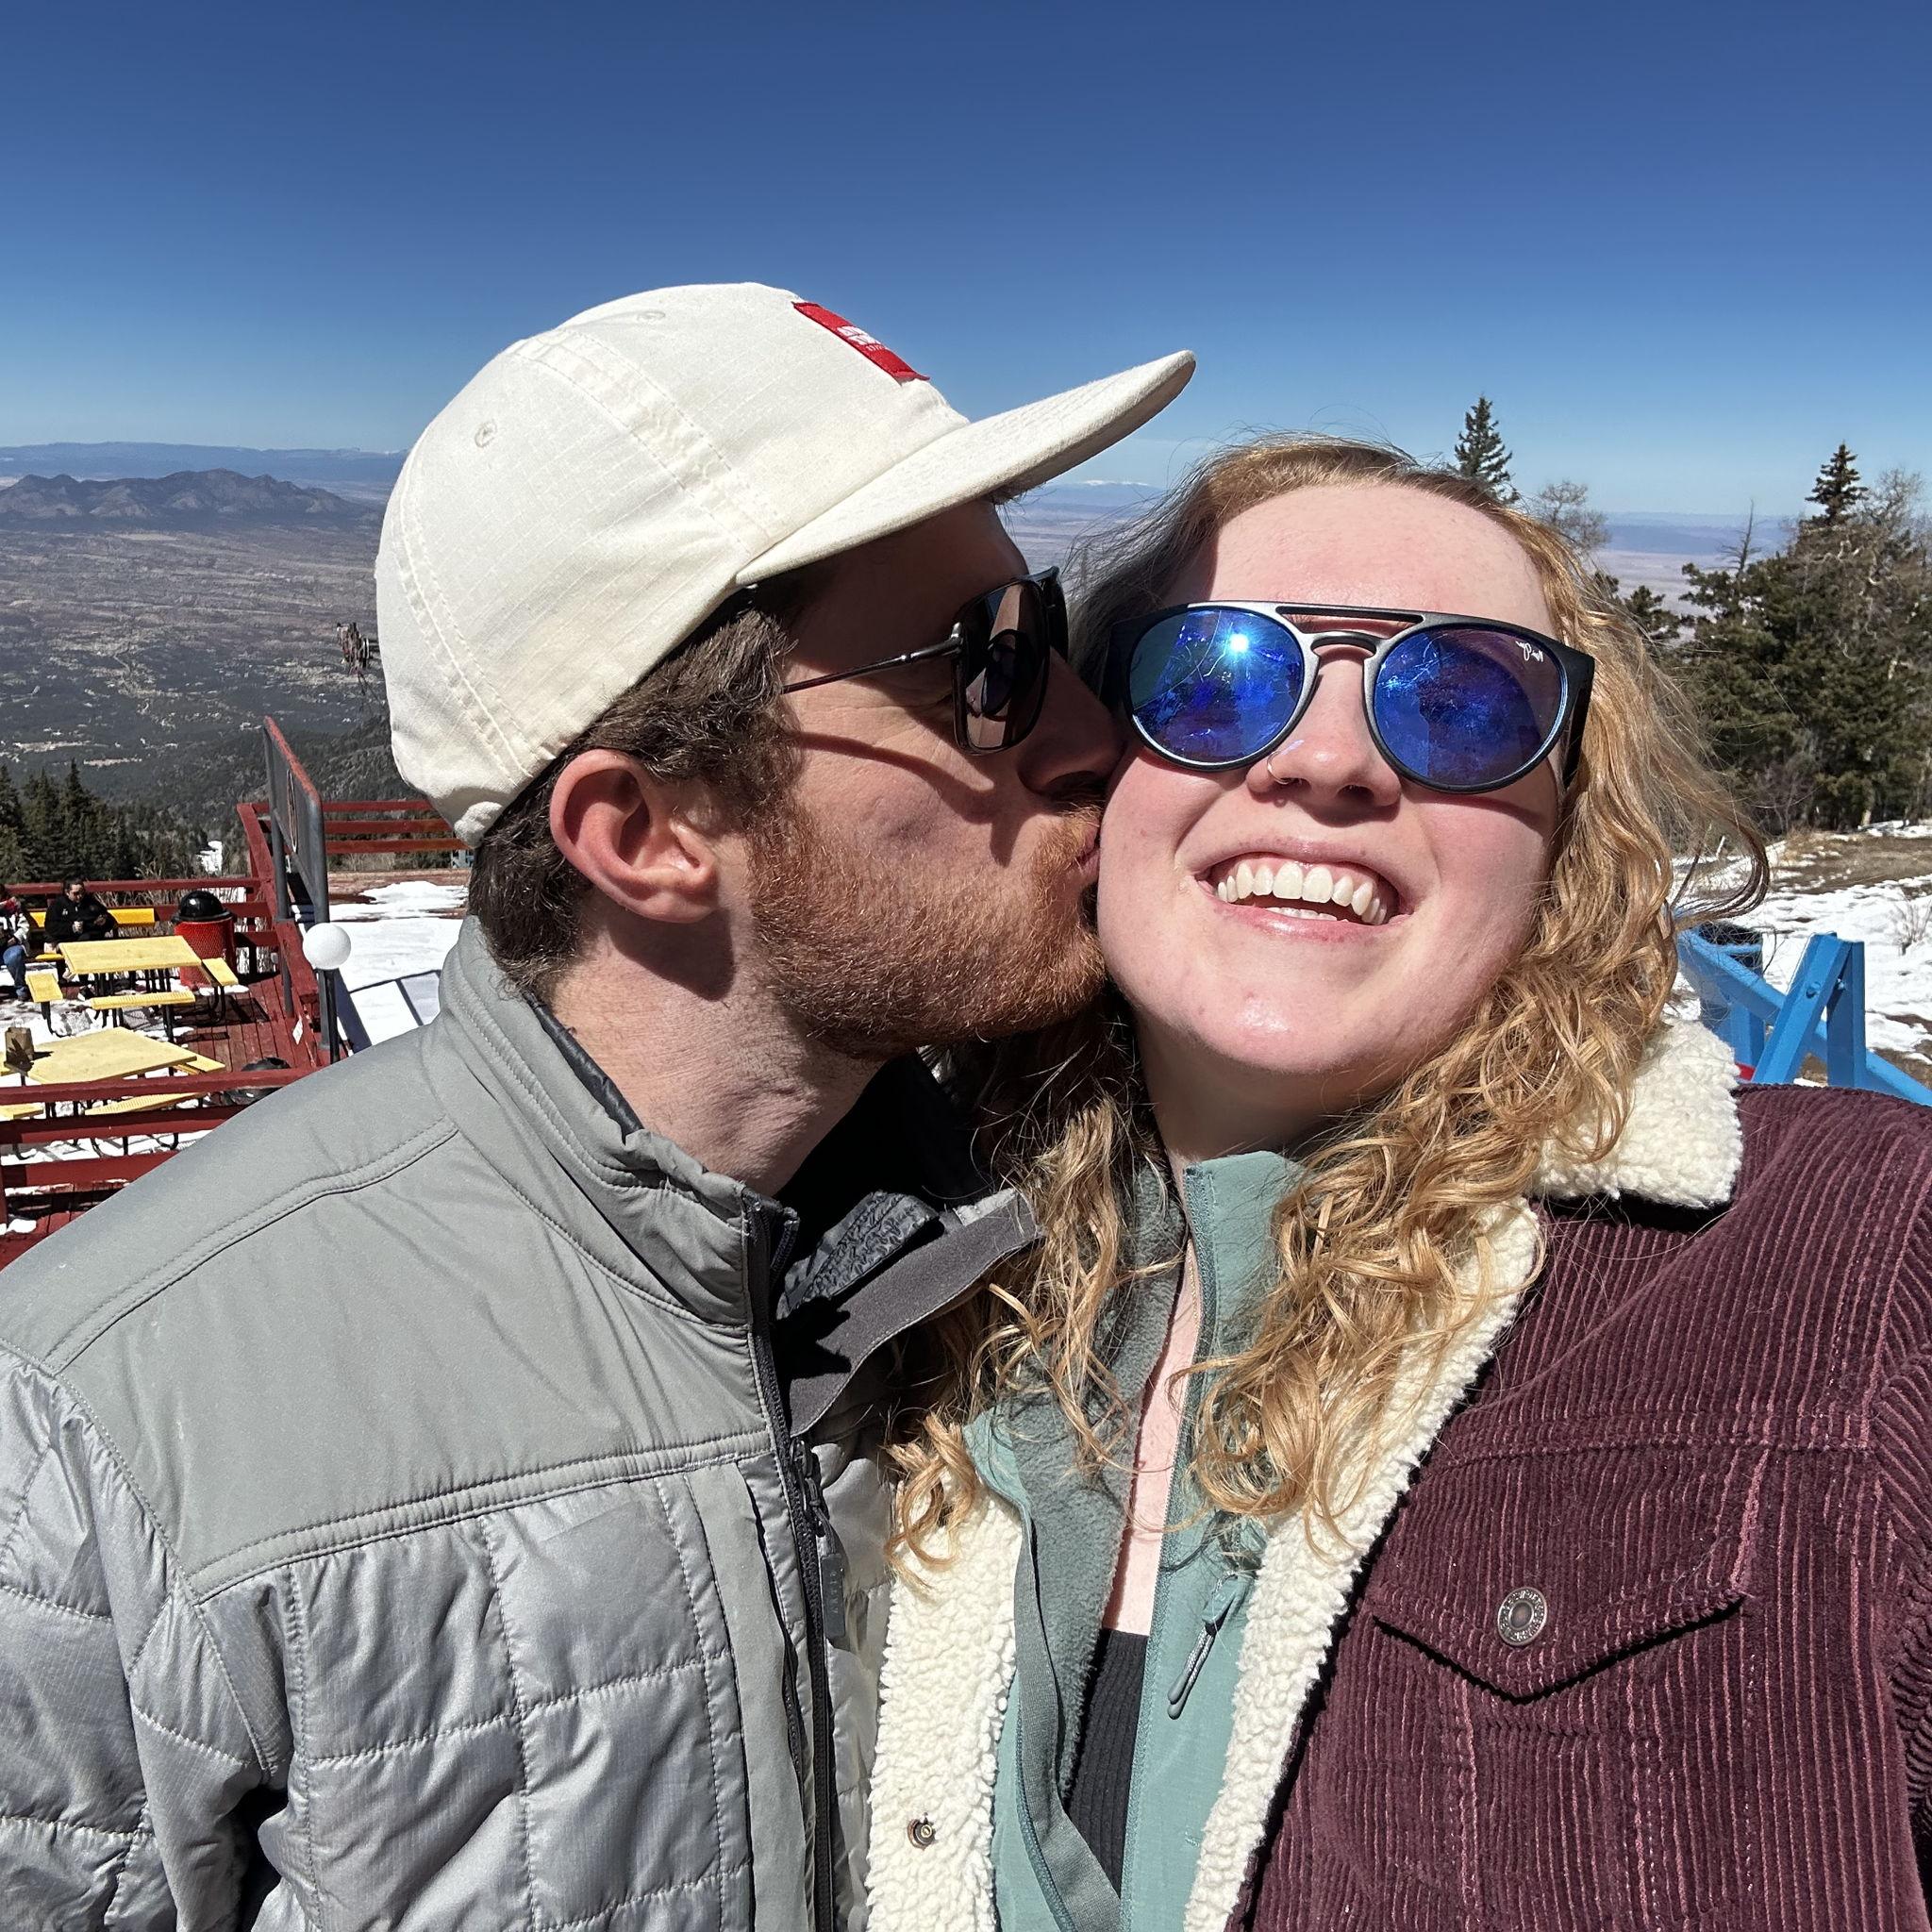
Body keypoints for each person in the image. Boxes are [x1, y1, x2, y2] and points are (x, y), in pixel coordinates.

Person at [0, 284, 1192, 1927]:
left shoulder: (1067, 1234)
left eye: (1047, 627)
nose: (1086, 734)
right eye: (982, 670)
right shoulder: (109, 1433)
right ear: (644, 834)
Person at [868, 436, 1932, 1931]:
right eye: (1219, 678)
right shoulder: (889, 1285)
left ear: (1565, 824)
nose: (1324, 760)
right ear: (1099, 765)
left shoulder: (1866, 1271)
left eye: (1463, 701)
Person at [43, 876, 115, 946]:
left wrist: (104, 922)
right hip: (66, 940)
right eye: (76, 893)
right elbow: (50, 927)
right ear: (67, 892)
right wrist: (72, 928)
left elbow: (109, 919)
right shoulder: (57, 905)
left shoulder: (91, 902)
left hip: (88, 939)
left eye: (82, 893)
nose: (80, 896)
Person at [0, 895, 29, 1000]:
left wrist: (16, 938)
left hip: (10, 945)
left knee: (15, 956)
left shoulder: (13, 907)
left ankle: (21, 988)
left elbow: (24, 927)